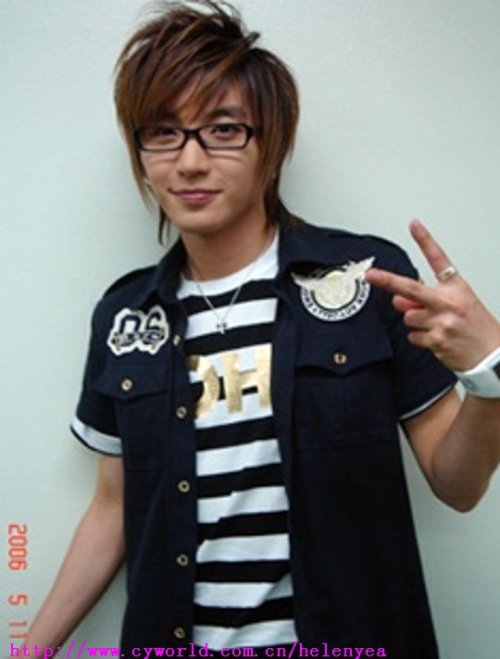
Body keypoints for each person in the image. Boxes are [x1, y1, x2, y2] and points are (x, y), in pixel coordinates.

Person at [25, 1, 500, 657]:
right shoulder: (125, 317)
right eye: (163, 132)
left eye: (223, 130)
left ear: (269, 143)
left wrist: (488, 374)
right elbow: (113, 507)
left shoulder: (366, 280)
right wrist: (29, 649)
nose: (190, 162)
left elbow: (460, 484)